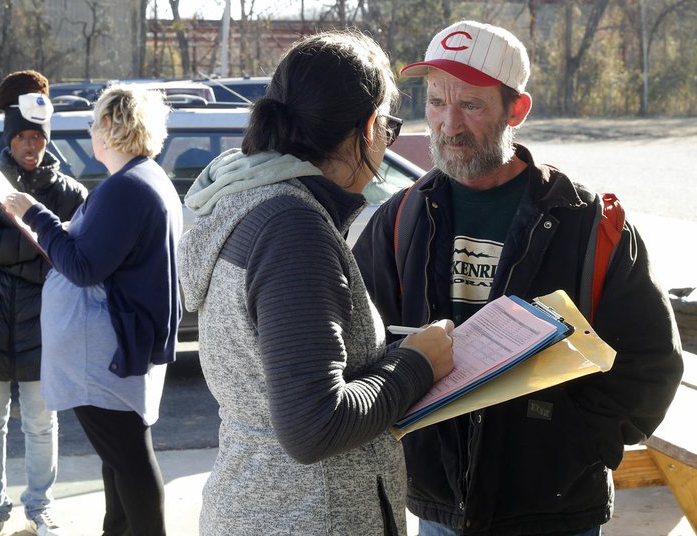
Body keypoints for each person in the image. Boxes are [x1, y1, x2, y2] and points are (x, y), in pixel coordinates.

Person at [352, 20, 684, 536]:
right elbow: (364, 353)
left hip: (556, 513)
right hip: (439, 509)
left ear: (517, 110)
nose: (447, 124)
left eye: (471, 105)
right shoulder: (399, 220)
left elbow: (652, 367)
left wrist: (571, 445)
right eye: (436, 102)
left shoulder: (588, 223)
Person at [176, 29, 456, 536]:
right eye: (388, 128)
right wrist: (418, 363)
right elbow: (314, 424)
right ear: (368, 127)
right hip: (310, 515)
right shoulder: (292, 228)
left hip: (263, 507)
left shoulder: (251, 203)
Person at [3, 85, 182, 536]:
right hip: (116, 346)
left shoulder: (127, 188)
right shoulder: (145, 179)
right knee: (119, 461)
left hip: (104, 353)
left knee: (130, 461)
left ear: (109, 127)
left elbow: (82, 267)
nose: (89, 133)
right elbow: (99, 250)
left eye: (92, 123)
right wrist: (59, 231)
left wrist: (36, 216)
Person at [0, 70, 88, 536]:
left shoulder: (69, 192)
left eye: (38, 137)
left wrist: (13, 250)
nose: (31, 146)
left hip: (45, 330)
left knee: (41, 425)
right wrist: (38, 245)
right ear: (9, 139)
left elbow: (78, 257)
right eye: (23, 137)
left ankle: (39, 506)